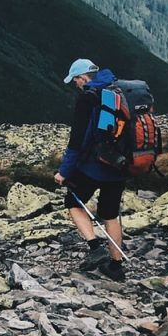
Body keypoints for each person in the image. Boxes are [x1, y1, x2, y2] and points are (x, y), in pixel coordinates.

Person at [55, 58, 128, 280]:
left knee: (73, 203)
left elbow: (77, 141)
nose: (76, 84)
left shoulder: (88, 98)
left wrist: (63, 172)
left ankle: (95, 248)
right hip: (120, 164)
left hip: (93, 165)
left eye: (75, 80)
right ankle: (116, 267)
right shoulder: (118, 89)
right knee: (110, 213)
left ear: (83, 77)